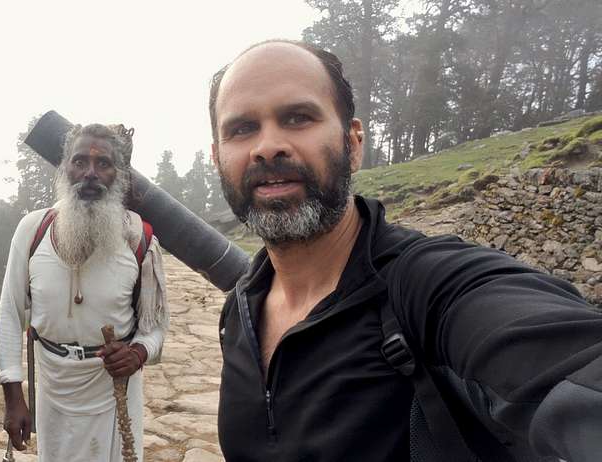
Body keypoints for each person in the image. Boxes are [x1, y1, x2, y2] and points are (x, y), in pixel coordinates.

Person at [208, 40, 602, 461]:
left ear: (353, 143)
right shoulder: (241, 309)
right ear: (217, 157)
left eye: (298, 117)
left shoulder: (430, 288)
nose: (267, 146)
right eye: (242, 128)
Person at [0, 123, 169, 461]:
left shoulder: (140, 238)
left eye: (103, 164)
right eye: (79, 162)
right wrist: (13, 396)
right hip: (52, 389)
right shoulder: (33, 229)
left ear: (118, 175)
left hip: (114, 389)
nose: (90, 173)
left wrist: (137, 354)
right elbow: (9, 313)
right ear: (65, 168)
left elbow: (156, 327)